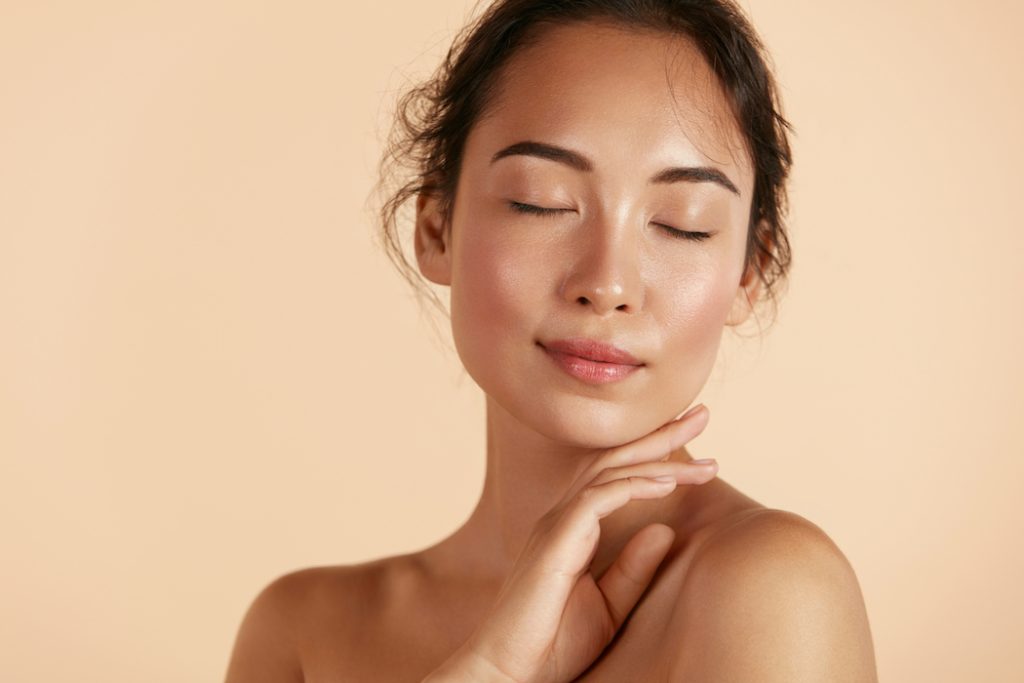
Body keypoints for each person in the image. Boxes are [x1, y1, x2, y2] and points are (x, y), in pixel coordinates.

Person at [225, 1, 879, 680]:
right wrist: (489, 667)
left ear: (750, 271)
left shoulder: (774, 592)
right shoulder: (305, 630)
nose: (607, 283)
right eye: (542, 201)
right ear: (436, 226)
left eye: (684, 224)